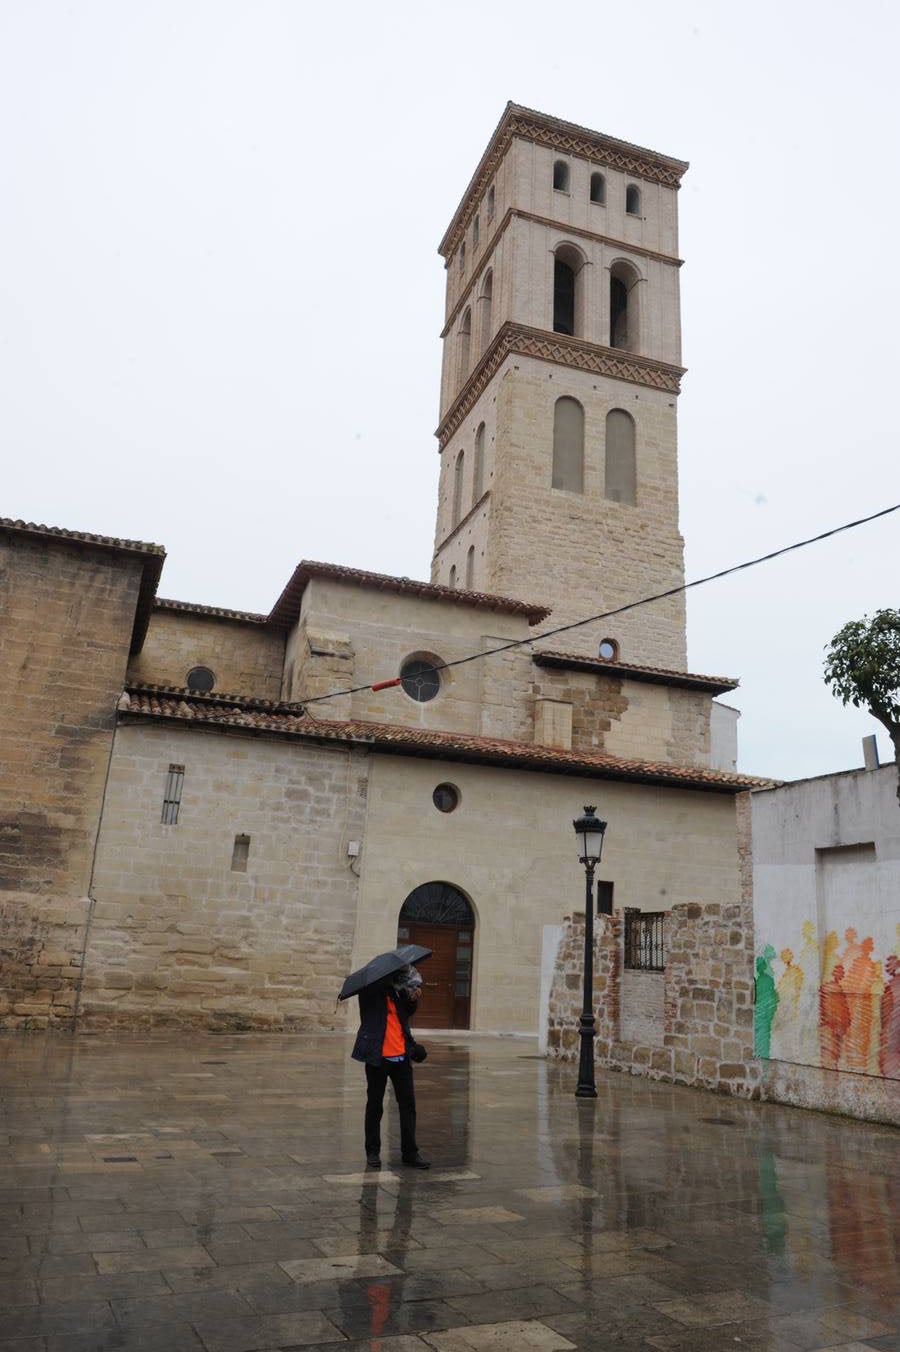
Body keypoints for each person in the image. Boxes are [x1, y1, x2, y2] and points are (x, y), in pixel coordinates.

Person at [351, 964, 430, 1169]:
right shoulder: (370, 993)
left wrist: (413, 998)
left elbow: (407, 1014)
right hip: (378, 1058)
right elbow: (370, 1015)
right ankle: (373, 1151)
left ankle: (410, 1153)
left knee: (408, 1106)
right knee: (375, 1106)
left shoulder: (398, 993)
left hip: (401, 1058)